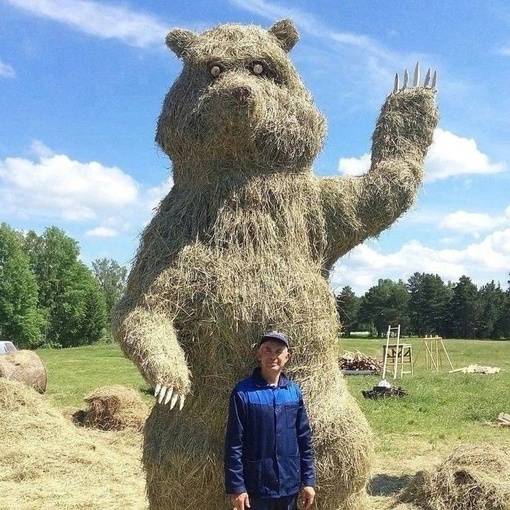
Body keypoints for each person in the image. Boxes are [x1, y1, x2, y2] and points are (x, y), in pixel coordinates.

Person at [224, 331, 316, 510]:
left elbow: (304, 440)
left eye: (278, 351)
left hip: (289, 484)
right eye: (267, 350)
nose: (273, 356)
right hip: (257, 487)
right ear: (259, 355)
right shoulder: (243, 393)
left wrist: (309, 481)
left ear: (287, 357)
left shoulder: (293, 392)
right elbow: (234, 444)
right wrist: (237, 487)